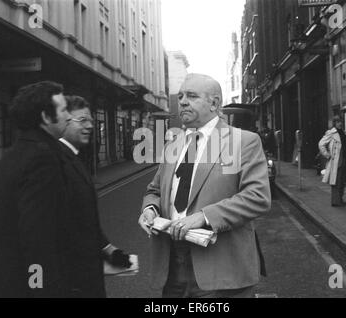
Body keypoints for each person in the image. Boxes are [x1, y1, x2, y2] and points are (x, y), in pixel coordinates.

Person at [138, 73, 271, 298]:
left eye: (191, 95)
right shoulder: (174, 143)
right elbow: (155, 190)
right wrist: (150, 209)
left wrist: (205, 216)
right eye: (180, 96)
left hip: (220, 269)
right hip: (172, 266)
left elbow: (257, 196)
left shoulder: (242, 141)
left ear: (214, 103)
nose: (182, 101)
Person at [0, 81, 72, 297]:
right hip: (28, 285)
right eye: (63, 110)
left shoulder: (12, 154)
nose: (68, 116)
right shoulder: (43, 158)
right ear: (45, 117)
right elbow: (37, 236)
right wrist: (40, 288)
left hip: (3, 278)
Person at [58, 95, 132, 297]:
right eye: (82, 120)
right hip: (73, 279)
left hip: (84, 272)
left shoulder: (74, 157)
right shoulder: (56, 161)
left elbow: (83, 218)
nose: (90, 125)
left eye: (90, 120)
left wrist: (108, 248)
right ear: (64, 121)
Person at [318, 116, 346, 207]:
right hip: (336, 162)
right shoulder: (331, 133)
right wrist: (327, 155)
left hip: (345, 161)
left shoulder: (343, 133)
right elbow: (321, 144)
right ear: (334, 123)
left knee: (342, 182)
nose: (340, 123)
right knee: (336, 182)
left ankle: (340, 200)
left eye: (340, 122)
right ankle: (335, 201)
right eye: (338, 122)